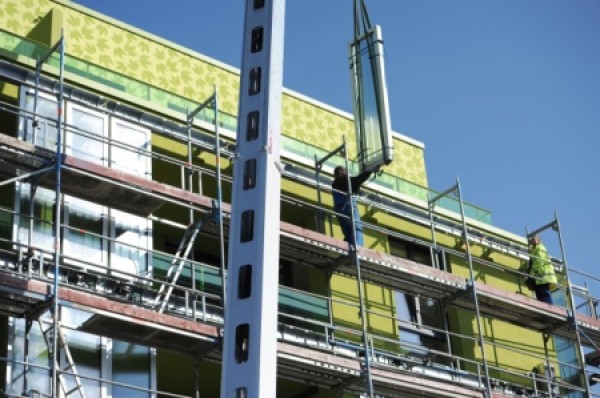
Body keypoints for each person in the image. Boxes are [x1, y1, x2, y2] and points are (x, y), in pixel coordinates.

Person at [331, 165, 376, 247]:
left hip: (341, 210)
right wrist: (369, 171)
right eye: (345, 172)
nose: (346, 174)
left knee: (348, 231)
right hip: (348, 208)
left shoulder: (335, 184)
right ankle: (358, 248)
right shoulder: (342, 180)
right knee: (356, 229)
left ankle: (350, 246)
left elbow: (353, 185)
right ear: (341, 172)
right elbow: (357, 180)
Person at [527, 235, 557, 304]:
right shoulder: (534, 249)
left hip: (543, 274)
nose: (532, 241)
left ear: (538, 240)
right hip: (539, 276)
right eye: (532, 239)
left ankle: (550, 308)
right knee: (539, 294)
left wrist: (531, 273)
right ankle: (543, 307)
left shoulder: (540, 248)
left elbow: (538, 262)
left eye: (534, 239)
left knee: (544, 292)